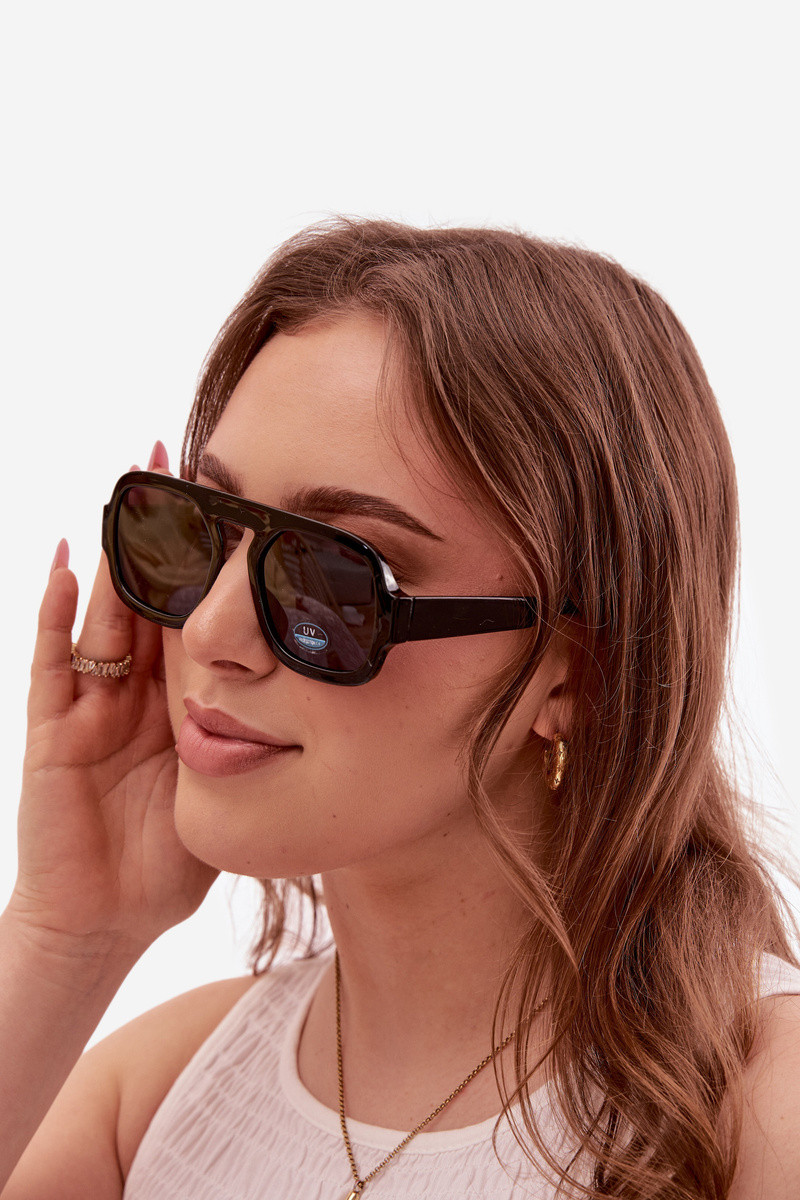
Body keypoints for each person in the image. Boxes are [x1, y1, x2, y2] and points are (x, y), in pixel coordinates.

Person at [2, 219, 800, 1200]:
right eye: (204, 529)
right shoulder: (151, 1103)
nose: (209, 631)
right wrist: (65, 938)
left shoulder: (761, 1114)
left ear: (574, 676)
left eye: (335, 577)